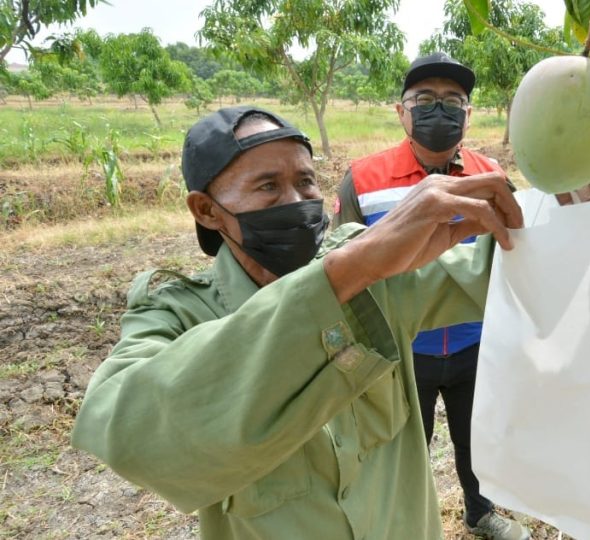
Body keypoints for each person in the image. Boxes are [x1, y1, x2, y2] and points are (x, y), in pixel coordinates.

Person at [70, 105, 523, 539]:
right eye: (268, 186)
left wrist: (565, 201)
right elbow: (124, 426)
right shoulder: (175, 313)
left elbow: (492, 270)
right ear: (206, 210)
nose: (296, 201)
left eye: (306, 182)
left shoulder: (376, 273)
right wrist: (341, 277)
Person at [331, 53, 527, 539]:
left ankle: (480, 513)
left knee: (475, 437)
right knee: (399, 446)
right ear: (401, 112)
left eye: (452, 101)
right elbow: (338, 264)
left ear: (468, 114)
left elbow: (514, 252)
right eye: (424, 100)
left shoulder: (492, 177)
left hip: (474, 342)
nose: (438, 110)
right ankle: (399, 522)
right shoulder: (363, 180)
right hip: (400, 350)